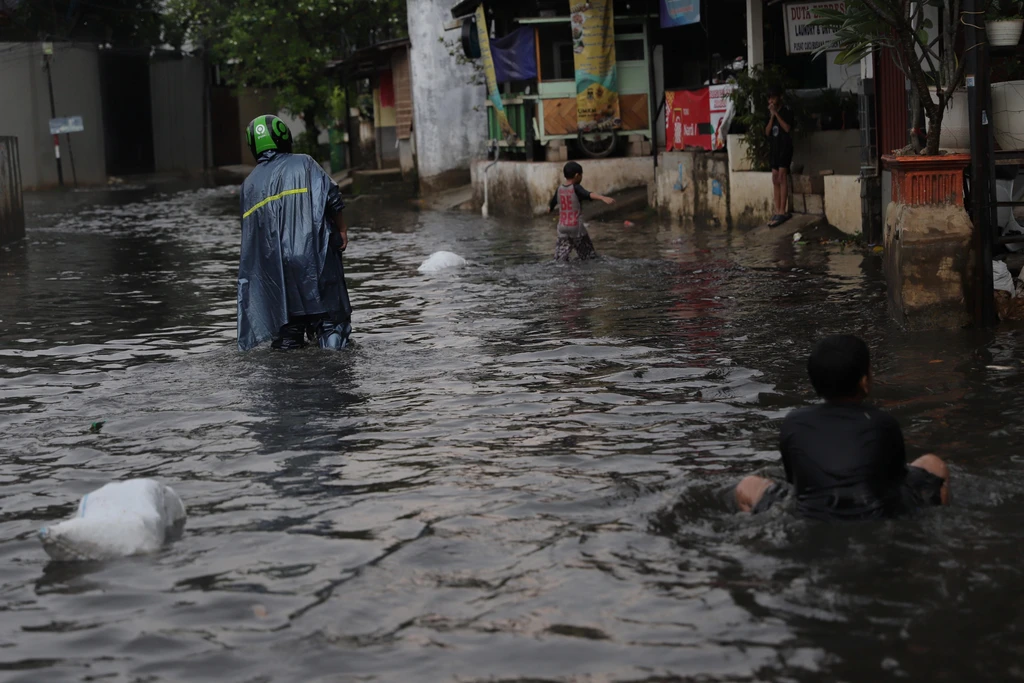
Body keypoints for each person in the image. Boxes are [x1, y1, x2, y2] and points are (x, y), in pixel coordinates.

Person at [735, 335, 950, 520]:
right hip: (877, 515)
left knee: (747, 485)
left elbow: (795, 483)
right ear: (864, 382)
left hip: (812, 516)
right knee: (934, 464)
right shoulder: (882, 423)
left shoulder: (794, 422)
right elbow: (896, 478)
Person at [236, 115, 353, 351]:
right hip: (314, 262)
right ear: (284, 137)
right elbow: (333, 200)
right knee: (330, 328)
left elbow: (252, 238)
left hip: (275, 276)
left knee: (287, 339)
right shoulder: (305, 163)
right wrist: (342, 229)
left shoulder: (249, 185)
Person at [547, 161, 616, 262]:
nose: (581, 177)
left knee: (559, 261)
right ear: (577, 175)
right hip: (576, 228)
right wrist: (602, 197)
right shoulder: (576, 188)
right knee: (589, 257)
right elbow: (587, 194)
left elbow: (552, 203)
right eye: (581, 175)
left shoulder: (559, 189)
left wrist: (550, 209)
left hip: (562, 228)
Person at [765, 86, 794, 229]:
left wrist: (776, 114)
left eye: (773, 98)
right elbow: (767, 131)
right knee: (775, 178)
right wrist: (771, 116)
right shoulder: (770, 114)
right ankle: (777, 210)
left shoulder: (786, 111)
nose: (771, 100)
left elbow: (787, 128)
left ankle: (783, 210)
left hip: (785, 148)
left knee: (782, 177)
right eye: (769, 98)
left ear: (779, 97)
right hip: (775, 149)